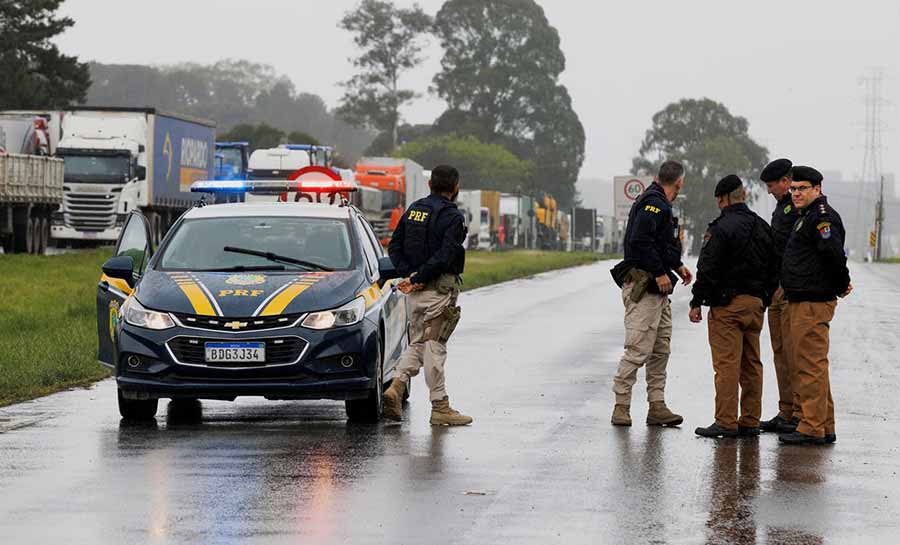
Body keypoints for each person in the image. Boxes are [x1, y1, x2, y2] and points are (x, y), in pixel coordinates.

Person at [383, 165, 472, 426]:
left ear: (430, 184)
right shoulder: (452, 218)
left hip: (414, 294)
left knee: (418, 344)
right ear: (455, 187)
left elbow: (395, 245)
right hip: (438, 292)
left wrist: (408, 275)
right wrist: (419, 277)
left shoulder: (414, 210)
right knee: (435, 347)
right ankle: (440, 406)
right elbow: (446, 255)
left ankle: (396, 387)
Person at [689, 175, 778, 438]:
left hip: (727, 307)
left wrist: (697, 301)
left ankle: (726, 421)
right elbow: (775, 266)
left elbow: (707, 268)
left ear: (722, 198)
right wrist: (765, 297)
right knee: (752, 364)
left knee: (727, 364)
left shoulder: (720, 228)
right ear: (743, 195)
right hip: (755, 305)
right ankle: (750, 420)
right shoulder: (762, 227)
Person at [609, 160, 693, 427]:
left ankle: (657, 406)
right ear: (679, 182)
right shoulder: (653, 203)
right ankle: (620, 407)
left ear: (659, 177)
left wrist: (677, 266)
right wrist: (659, 271)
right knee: (637, 349)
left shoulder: (662, 204)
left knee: (660, 350)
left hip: (658, 291)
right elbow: (640, 241)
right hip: (644, 286)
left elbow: (660, 243)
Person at [779, 166, 851, 445]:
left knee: (809, 366)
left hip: (812, 301)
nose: (795, 193)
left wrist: (841, 283)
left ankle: (811, 426)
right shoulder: (806, 216)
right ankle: (824, 424)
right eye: (793, 189)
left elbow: (833, 254)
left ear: (817, 189)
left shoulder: (821, 218)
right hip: (803, 298)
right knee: (814, 366)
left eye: (802, 189)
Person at [758, 159, 802, 434]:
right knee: (780, 354)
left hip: (788, 290)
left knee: (794, 355)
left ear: (785, 182)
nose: (769, 190)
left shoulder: (796, 208)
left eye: (772, 185)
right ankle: (786, 410)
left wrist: (786, 282)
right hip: (775, 290)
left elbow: (794, 250)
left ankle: (799, 413)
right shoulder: (780, 207)